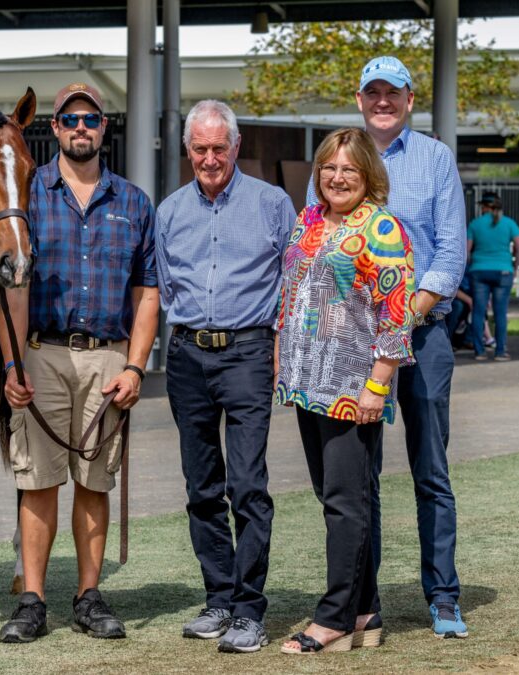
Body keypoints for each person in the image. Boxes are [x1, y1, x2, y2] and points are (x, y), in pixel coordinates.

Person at [311, 55, 468, 638]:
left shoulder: (434, 159)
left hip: (423, 338)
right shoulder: (338, 158)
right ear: (360, 98)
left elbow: (451, 252)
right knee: (360, 479)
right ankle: (362, 600)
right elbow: (317, 240)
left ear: (408, 100)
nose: (382, 101)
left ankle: (443, 596)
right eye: (372, 92)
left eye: (393, 93)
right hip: (352, 350)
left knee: (431, 471)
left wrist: (404, 320)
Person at [0, 83, 159, 643]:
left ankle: (89, 596)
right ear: (56, 128)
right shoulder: (29, 194)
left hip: (107, 358)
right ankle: (33, 600)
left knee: (94, 482)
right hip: (40, 353)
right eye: (71, 119)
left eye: (91, 118)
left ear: (104, 127)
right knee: (38, 482)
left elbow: (147, 293)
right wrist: (11, 364)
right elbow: (11, 288)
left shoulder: (135, 202)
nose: (81, 127)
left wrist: (136, 366)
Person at [157, 99, 295, 653]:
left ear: (236, 147)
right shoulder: (169, 211)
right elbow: (166, 288)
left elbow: (293, 283)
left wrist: (281, 348)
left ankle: (248, 608)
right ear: (188, 150)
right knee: (201, 488)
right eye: (200, 149)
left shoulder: (272, 204)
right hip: (188, 355)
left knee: (247, 486)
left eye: (219, 147)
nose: (210, 158)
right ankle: (217, 599)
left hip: (247, 353)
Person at [277, 128, 415, 654]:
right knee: (339, 498)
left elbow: (396, 314)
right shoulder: (308, 219)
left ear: (368, 176)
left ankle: (332, 618)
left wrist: (377, 385)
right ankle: (364, 611)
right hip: (307, 385)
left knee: (345, 502)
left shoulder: (381, 227)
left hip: (353, 388)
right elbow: (290, 293)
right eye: (328, 169)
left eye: (348, 170)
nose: (336, 178)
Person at [468, 192, 519, 362]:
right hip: (503, 271)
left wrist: (472, 265)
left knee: (478, 312)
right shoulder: (509, 223)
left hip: (479, 271)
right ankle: (500, 351)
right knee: (500, 313)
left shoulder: (475, 224)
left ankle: (479, 351)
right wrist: (514, 267)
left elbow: (466, 251)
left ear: (485, 207)